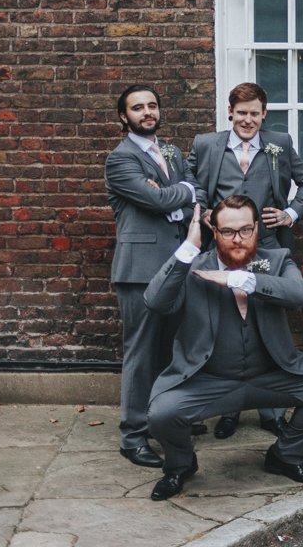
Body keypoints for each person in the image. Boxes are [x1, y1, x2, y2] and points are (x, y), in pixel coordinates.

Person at [144, 195, 303, 500]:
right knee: (161, 413)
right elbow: (155, 302)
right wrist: (188, 249)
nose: (238, 239)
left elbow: (298, 294)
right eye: (228, 231)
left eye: (245, 230)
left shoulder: (277, 260)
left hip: (270, 375)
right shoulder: (193, 267)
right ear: (214, 231)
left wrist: (239, 279)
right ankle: (180, 466)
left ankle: (286, 455)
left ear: (256, 229)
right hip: (210, 380)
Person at [187, 81, 303, 440]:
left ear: (264, 114)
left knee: (267, 322)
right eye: (241, 113)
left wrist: (291, 213)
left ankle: (271, 410)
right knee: (226, 325)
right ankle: (228, 408)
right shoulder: (206, 144)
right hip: (223, 247)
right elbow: (189, 180)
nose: (248, 120)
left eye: (255, 114)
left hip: (267, 245)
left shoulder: (280, 144)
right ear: (230, 112)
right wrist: (204, 211)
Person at [104, 84, 198, 469]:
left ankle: (164, 420)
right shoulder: (120, 159)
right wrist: (183, 191)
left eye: (152, 105)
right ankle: (133, 437)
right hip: (140, 270)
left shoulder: (171, 152)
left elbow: (194, 194)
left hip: (177, 264)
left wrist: (179, 192)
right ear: (123, 117)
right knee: (141, 353)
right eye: (138, 107)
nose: (147, 112)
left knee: (173, 349)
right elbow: (157, 199)